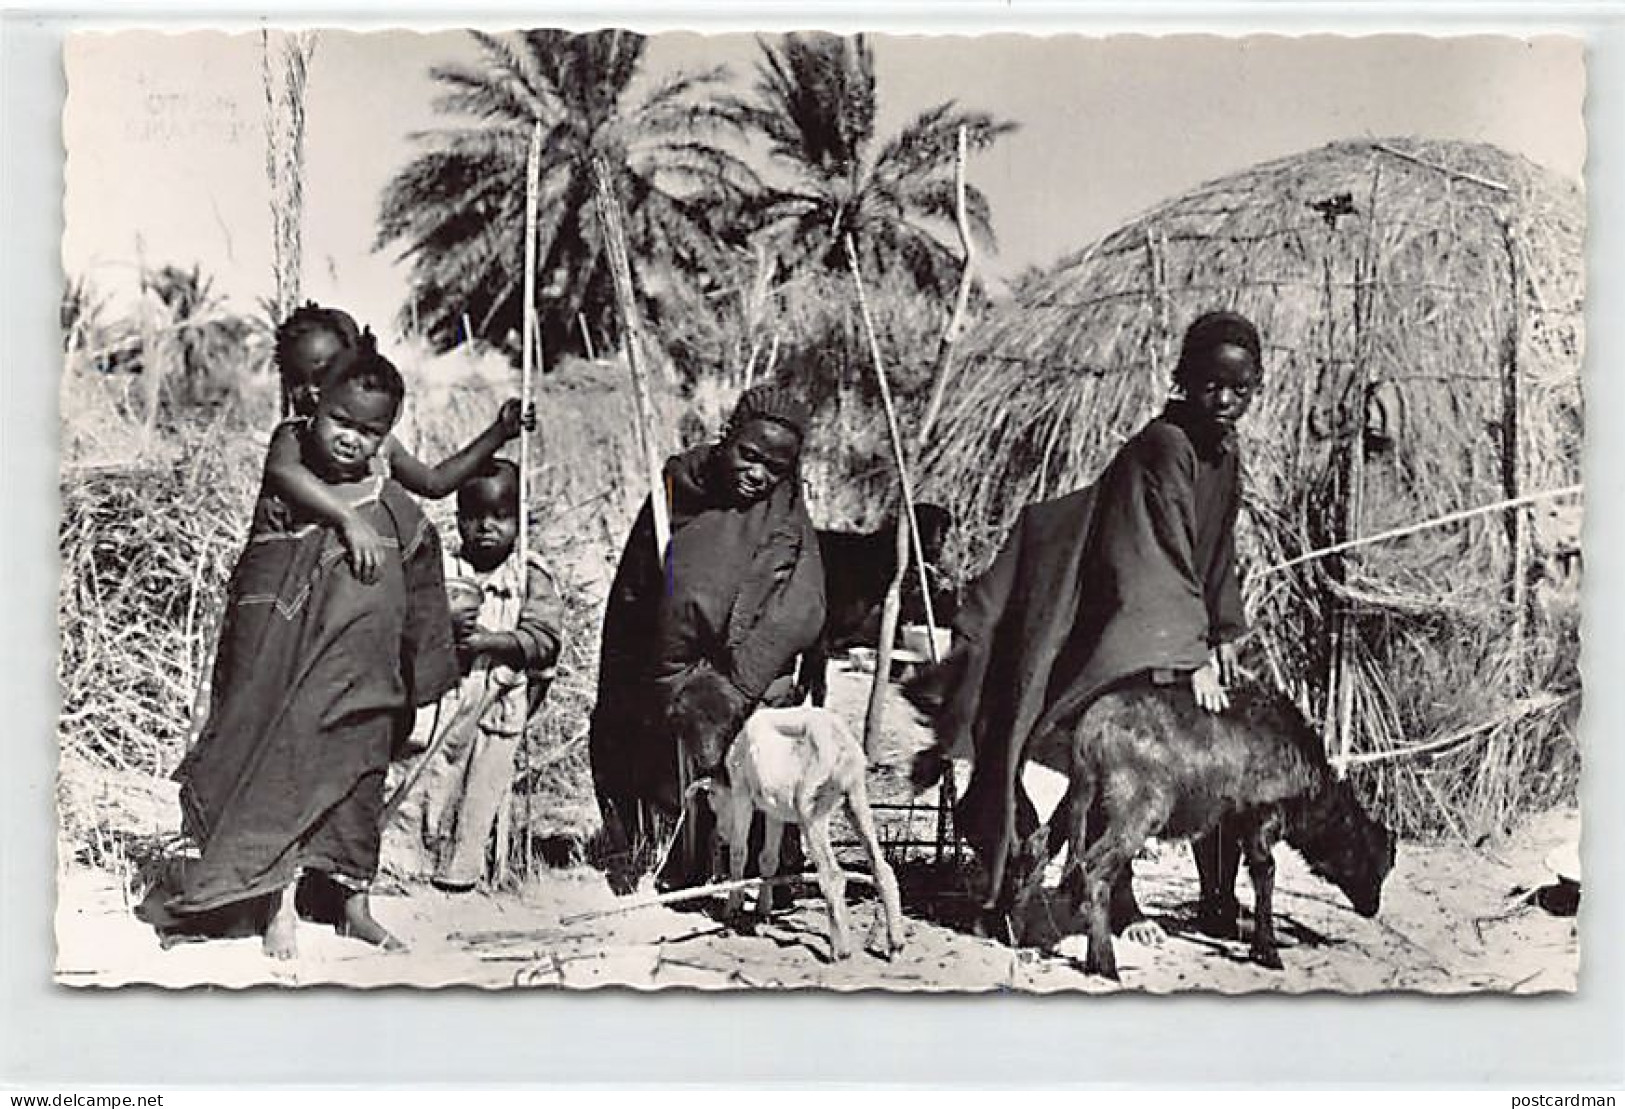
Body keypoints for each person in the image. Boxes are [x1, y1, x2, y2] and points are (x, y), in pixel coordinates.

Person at [907, 309, 1264, 943]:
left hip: (1168, 617)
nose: (1226, 400)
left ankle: (1211, 897)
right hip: (1108, 612)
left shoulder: (1225, 452)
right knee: (1124, 750)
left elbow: (1214, 554)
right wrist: (1194, 653)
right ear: (1186, 379)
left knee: (1215, 747)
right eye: (1212, 384)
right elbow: (1161, 550)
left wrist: (1222, 635)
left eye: (1241, 388)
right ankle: (1113, 899)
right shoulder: (1165, 445)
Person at [141, 340, 461, 958]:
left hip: (366, 672)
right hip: (295, 666)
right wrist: (347, 522)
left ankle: (352, 905)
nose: (352, 440)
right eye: (342, 421)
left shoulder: (385, 492)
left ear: (387, 435)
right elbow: (278, 553)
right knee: (286, 770)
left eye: (371, 432)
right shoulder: (292, 467)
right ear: (314, 405)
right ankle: (277, 905)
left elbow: (422, 558)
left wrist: (424, 661)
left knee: (361, 779)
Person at [589, 383, 826, 895]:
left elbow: (803, 606)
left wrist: (735, 681)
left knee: (751, 760)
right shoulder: (678, 485)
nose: (758, 474)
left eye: (775, 467)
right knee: (659, 754)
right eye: (750, 456)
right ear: (728, 437)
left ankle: (757, 874)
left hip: (745, 677)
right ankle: (668, 861)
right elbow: (634, 587)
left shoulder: (786, 513)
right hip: (670, 665)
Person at [387, 459, 565, 891]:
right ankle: (403, 861)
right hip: (443, 697)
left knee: (481, 788)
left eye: (501, 516)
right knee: (424, 777)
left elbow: (544, 640)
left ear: (520, 520)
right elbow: (413, 624)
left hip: (497, 702)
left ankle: (463, 870)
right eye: (474, 516)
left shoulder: (529, 576)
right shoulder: (442, 570)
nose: (486, 527)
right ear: (458, 518)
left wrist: (491, 643)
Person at [265, 303, 532, 584]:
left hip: (367, 582)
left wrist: (499, 432)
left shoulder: (381, 446)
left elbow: (434, 483)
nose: (309, 390)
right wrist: (348, 519)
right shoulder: (296, 436)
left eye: (321, 376)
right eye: (296, 380)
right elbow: (283, 471)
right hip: (313, 582)